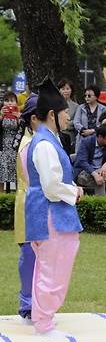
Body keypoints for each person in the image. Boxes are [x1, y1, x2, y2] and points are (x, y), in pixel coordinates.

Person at [25, 78, 84, 337]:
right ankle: (44, 322)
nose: (68, 119)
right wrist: (74, 192)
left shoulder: (46, 141)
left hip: (48, 212)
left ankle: (44, 318)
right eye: (64, 114)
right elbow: (51, 185)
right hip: (52, 213)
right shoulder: (46, 143)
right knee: (53, 267)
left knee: (50, 266)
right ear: (52, 115)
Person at [14, 93, 39, 323]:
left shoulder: (39, 140)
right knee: (29, 253)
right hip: (30, 202)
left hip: (36, 201)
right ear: (33, 119)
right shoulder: (28, 144)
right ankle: (27, 302)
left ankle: (36, 302)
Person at [73, 123, 106, 197]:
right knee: (100, 179)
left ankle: (100, 180)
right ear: (100, 137)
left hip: (101, 170)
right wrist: (95, 174)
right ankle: (101, 200)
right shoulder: (86, 142)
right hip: (86, 171)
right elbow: (82, 161)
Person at [73, 85, 106, 151]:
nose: (86, 98)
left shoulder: (103, 109)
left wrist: (92, 131)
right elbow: (76, 122)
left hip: (97, 137)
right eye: (85, 95)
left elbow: (103, 123)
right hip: (83, 137)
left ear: (96, 96)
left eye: (89, 96)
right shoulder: (81, 107)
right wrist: (83, 129)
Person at [1, 91, 20, 192]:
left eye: (12, 101)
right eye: (6, 101)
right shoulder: (1, 113)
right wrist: (1, 115)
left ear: (16, 103)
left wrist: (19, 118)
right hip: (3, 147)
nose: (9, 103)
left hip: (16, 147)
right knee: (3, 172)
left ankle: (16, 196)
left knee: (16, 172)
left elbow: (24, 130)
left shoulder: (19, 114)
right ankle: (3, 196)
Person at [58, 79, 78, 149]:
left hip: (70, 136)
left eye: (67, 89)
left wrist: (64, 124)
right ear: (59, 90)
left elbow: (75, 121)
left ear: (71, 90)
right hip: (57, 135)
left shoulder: (76, 106)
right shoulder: (55, 104)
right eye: (63, 89)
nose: (65, 91)